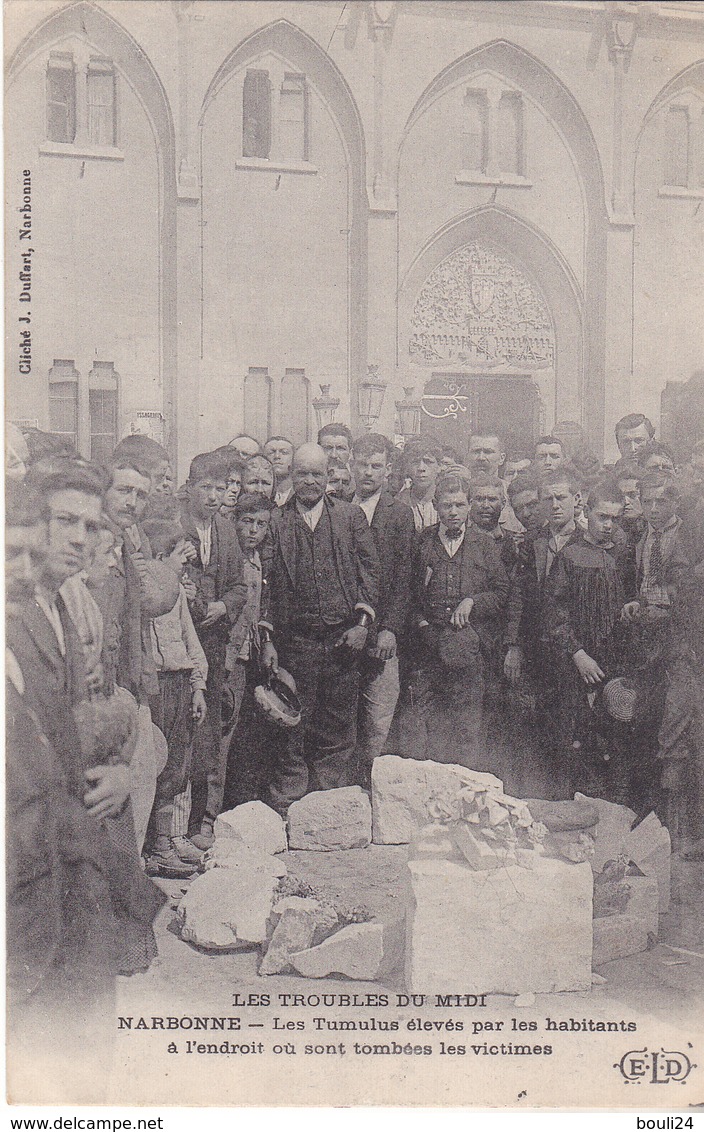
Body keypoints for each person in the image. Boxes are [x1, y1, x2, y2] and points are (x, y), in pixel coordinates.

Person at [260, 443, 380, 811]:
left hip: (342, 639)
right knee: (291, 724)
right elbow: (264, 583)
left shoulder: (350, 516)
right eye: (302, 474)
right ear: (291, 476)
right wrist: (267, 639)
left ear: (329, 476)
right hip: (294, 642)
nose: (310, 481)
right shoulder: (276, 522)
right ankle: (288, 805)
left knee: (338, 725)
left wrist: (362, 624)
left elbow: (371, 573)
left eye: (317, 474)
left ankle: (330, 805)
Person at [403, 471, 509, 770]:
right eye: (447, 505)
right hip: (426, 649)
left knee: (466, 725)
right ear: (436, 505)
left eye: (460, 505)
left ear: (469, 506)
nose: (453, 512)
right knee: (425, 723)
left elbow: (502, 593)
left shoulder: (484, 545)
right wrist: (422, 625)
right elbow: (406, 593)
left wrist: (473, 601)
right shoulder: (422, 543)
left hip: (467, 648)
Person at [543, 480, 633, 797]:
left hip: (616, 663)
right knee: (575, 737)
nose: (608, 525)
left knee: (616, 736)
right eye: (601, 517)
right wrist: (578, 654)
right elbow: (554, 612)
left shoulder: (626, 556)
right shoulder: (570, 557)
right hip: (576, 665)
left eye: (615, 518)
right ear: (588, 514)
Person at [180, 451, 248, 848]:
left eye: (219, 489)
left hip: (214, 642)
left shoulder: (225, 529)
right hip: (179, 644)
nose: (212, 496)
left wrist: (223, 606)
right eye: (204, 487)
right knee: (179, 732)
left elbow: (240, 586)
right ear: (190, 487)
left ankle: (199, 825)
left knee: (207, 740)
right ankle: (167, 832)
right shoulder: (174, 523)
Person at [141, 519, 209, 878]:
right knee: (151, 762)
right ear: (159, 556)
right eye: (180, 557)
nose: (186, 564)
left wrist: (198, 686)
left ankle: (165, 843)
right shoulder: (137, 597)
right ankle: (147, 846)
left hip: (180, 684)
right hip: (153, 688)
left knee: (175, 767)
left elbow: (190, 641)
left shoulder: (179, 595)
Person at [350, 433, 415, 784]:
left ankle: (369, 784)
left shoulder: (399, 514)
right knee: (344, 715)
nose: (368, 473)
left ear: (388, 470)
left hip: (382, 635)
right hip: (345, 630)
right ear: (351, 465)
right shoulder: (339, 507)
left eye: (376, 466)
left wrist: (390, 627)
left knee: (378, 717)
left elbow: (405, 575)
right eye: (363, 465)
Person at [223, 493, 275, 807]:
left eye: (261, 524)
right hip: (229, 656)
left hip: (250, 655)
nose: (253, 530)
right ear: (235, 522)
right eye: (247, 522)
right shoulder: (231, 558)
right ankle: (207, 817)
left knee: (242, 735)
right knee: (222, 730)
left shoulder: (259, 561)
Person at [396, 437, 442, 530]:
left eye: (428, 462)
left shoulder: (448, 502)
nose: (421, 468)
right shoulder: (397, 502)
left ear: (439, 466)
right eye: (415, 462)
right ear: (407, 466)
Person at [264, 435, 295, 507]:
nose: (277, 456)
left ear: (293, 459)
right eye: (271, 452)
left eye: (284, 452)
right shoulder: (259, 491)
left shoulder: (299, 492)